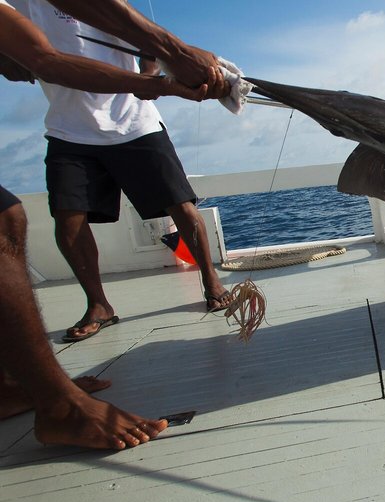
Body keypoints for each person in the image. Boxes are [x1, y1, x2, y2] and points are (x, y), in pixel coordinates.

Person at [0, 0, 221, 448]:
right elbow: (37, 63)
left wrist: (154, 75)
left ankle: (211, 283)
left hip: (136, 124)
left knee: (181, 205)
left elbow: (143, 44)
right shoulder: (16, 7)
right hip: (69, 130)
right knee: (67, 221)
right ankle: (98, 304)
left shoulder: (111, 6)